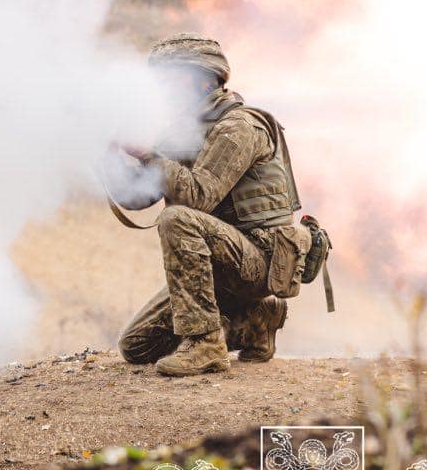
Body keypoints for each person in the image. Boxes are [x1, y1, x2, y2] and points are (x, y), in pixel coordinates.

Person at [115, 34, 312, 376]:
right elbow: (137, 198)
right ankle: (254, 319)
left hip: (262, 258)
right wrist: (104, 151)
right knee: (136, 346)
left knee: (176, 218)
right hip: (223, 263)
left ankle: (206, 345)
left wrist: (148, 153)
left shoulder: (239, 127)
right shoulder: (181, 129)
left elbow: (198, 196)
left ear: (199, 77)